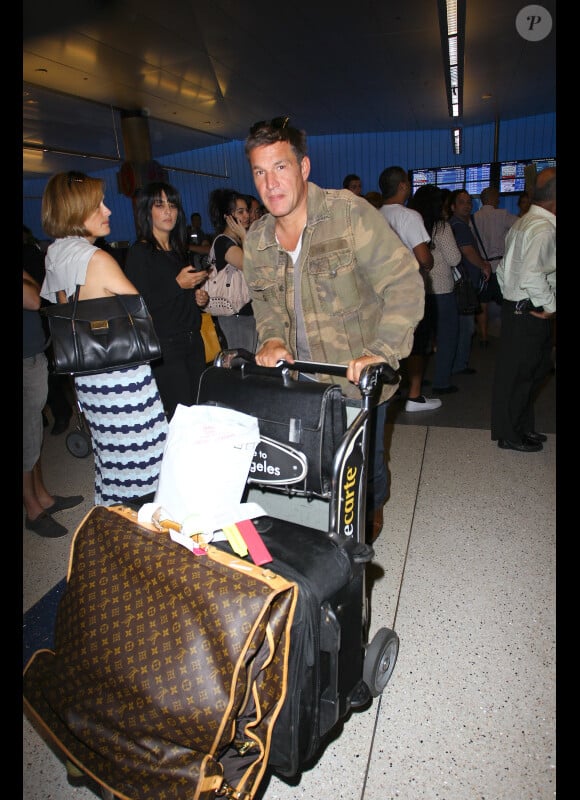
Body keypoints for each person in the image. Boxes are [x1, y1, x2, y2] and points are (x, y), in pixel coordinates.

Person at [242, 118, 424, 542]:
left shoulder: (348, 214)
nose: (270, 184)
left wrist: (383, 349)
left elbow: (406, 283)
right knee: (314, 463)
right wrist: (270, 337)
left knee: (366, 463)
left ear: (303, 167)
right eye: (259, 172)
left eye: (280, 168)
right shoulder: (257, 240)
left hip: (358, 379)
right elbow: (265, 303)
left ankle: (372, 504)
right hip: (299, 379)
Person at [40, 171, 169, 508]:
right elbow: (144, 316)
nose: (108, 210)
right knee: (149, 462)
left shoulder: (55, 255)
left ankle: (113, 524)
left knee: (112, 460)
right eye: (97, 204)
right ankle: (146, 534)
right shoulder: (97, 259)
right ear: (74, 211)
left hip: (88, 379)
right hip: (122, 379)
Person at [125, 182, 210, 420]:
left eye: (172, 205)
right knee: (181, 413)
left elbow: (177, 295)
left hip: (193, 338)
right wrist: (177, 285)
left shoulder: (177, 249)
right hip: (166, 344)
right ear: (147, 211)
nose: (168, 211)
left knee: (199, 406)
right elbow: (138, 306)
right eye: (159, 205)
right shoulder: (140, 252)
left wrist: (196, 297)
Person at [490, 167, 556, 452]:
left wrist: (510, 299)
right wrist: (551, 306)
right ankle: (511, 434)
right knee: (521, 375)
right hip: (529, 310)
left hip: (517, 307)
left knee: (530, 372)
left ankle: (521, 427)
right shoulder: (543, 229)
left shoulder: (523, 222)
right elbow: (531, 275)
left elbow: (504, 269)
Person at [23, 268, 84, 537]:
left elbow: (37, 286)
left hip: (31, 355)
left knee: (33, 433)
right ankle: (33, 510)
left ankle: (43, 497)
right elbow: (34, 298)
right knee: (26, 439)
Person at [378, 166, 441, 412]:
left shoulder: (374, 215)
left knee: (388, 341)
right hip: (409, 291)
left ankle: (388, 391)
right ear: (403, 186)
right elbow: (424, 258)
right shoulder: (410, 216)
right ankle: (414, 396)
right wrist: (430, 260)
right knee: (417, 342)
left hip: (381, 291)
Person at [408, 185, 462, 394]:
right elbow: (455, 258)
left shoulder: (412, 222)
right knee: (447, 336)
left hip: (417, 289)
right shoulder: (441, 227)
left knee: (420, 339)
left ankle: (415, 381)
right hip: (441, 289)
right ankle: (441, 381)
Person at [23, 224, 74, 436]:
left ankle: (60, 413)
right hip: (41, 322)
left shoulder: (33, 254)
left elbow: (37, 295)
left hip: (41, 323)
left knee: (50, 375)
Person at [207, 188, 258, 354]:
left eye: (247, 211)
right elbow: (251, 266)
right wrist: (244, 236)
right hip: (235, 316)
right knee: (240, 364)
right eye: (240, 212)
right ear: (227, 216)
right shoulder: (224, 242)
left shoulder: (233, 242)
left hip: (242, 314)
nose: (246, 216)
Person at [448, 189, 492, 375]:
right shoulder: (459, 225)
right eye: (462, 202)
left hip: (459, 282)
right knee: (465, 326)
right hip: (463, 284)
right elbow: (467, 251)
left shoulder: (456, 224)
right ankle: (460, 364)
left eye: (468, 202)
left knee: (462, 324)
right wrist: (484, 265)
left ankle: (458, 363)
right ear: (452, 206)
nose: (467, 205)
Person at [472, 186, 518, 346]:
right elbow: (519, 226)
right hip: (499, 267)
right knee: (506, 303)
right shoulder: (502, 214)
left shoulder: (473, 218)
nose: (498, 200)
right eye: (497, 197)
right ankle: (507, 336)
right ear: (493, 199)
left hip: (482, 266)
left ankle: (484, 337)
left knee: (482, 304)